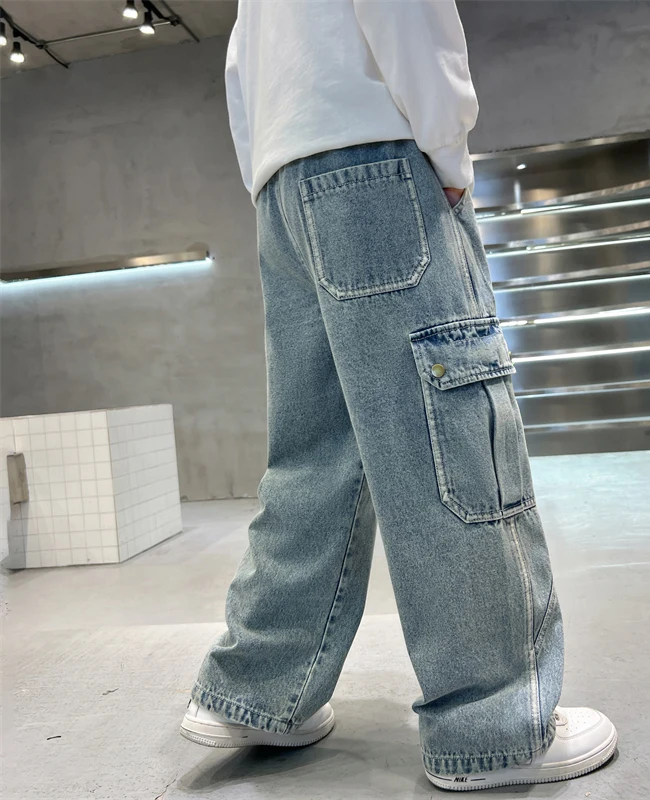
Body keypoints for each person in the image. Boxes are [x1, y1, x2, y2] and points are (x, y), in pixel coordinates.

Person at [179, 0, 617, 791]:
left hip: (281, 181)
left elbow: (241, 59)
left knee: (316, 449)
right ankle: (493, 726)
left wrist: (269, 177)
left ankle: (259, 690)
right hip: (376, 157)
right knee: (448, 430)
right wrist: (448, 150)